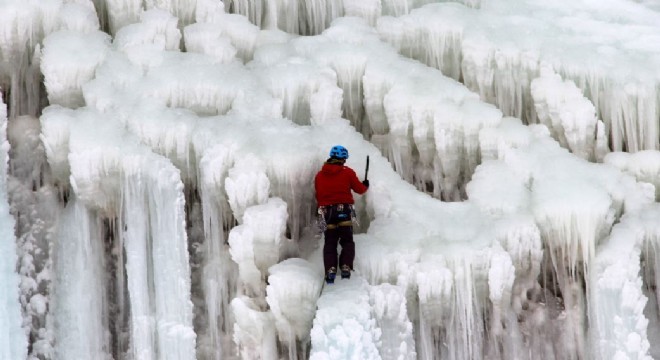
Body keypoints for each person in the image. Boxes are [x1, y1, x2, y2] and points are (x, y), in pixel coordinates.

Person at [314, 145, 369, 284]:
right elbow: (360, 189)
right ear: (343, 159)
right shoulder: (347, 172)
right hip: (343, 210)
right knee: (347, 241)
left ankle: (330, 270)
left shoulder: (319, 175)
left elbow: (318, 195)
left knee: (330, 242)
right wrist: (365, 185)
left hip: (325, 212)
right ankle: (345, 266)